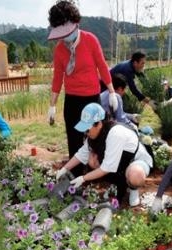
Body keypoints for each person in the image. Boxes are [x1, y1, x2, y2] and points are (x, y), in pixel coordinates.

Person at [46, 0, 118, 177]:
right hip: (72, 100)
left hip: (91, 98)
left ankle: (102, 171)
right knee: (74, 137)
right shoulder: (59, 50)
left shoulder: (90, 40)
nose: (64, 38)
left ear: (75, 23)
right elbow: (57, 79)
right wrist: (52, 105)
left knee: (96, 136)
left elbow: (102, 66)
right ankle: (76, 176)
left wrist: (112, 92)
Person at [56, 103, 153, 207]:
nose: (86, 133)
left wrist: (83, 178)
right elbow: (81, 154)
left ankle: (133, 188)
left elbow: (106, 168)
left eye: (87, 129)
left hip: (136, 161)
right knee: (92, 160)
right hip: (120, 163)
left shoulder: (115, 133)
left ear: (99, 124)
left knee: (135, 175)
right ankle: (119, 182)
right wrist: (64, 169)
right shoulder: (96, 134)